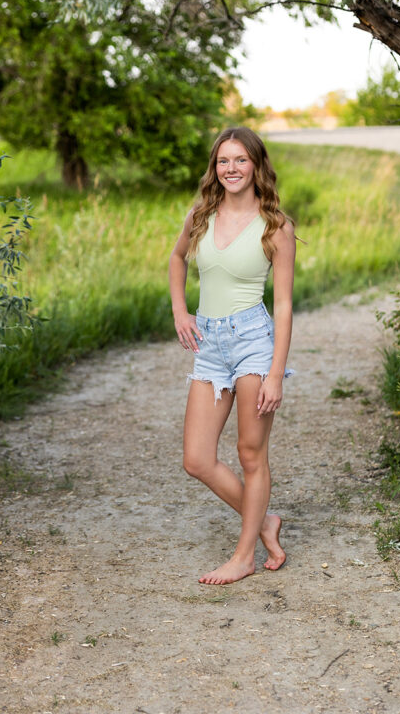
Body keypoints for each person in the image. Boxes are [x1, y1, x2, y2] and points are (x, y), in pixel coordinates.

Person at [169, 127, 296, 585]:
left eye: (240, 160)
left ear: (256, 165)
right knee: (197, 458)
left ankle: (244, 556)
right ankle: (264, 521)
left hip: (252, 342)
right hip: (209, 343)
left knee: (249, 453)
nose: (231, 169)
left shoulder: (276, 226)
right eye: (224, 161)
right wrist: (181, 310)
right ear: (215, 167)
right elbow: (178, 258)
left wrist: (275, 372)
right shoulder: (200, 214)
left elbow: (283, 305)